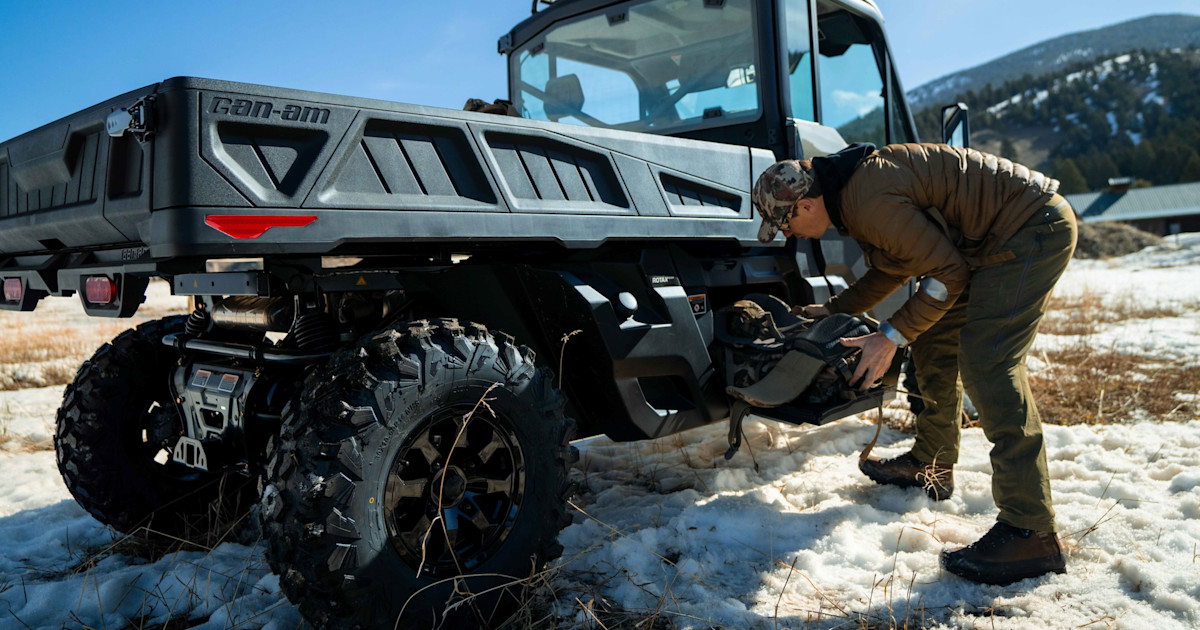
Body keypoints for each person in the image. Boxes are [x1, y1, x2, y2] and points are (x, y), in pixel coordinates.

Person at [752, 143, 1076, 586]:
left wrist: (888, 338)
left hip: (1031, 228)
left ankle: (1031, 530)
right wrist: (831, 312)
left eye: (784, 222)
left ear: (806, 204)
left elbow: (947, 275)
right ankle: (933, 465)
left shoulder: (866, 199)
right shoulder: (853, 196)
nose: (789, 233)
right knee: (933, 338)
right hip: (988, 243)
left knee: (989, 363)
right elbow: (895, 267)